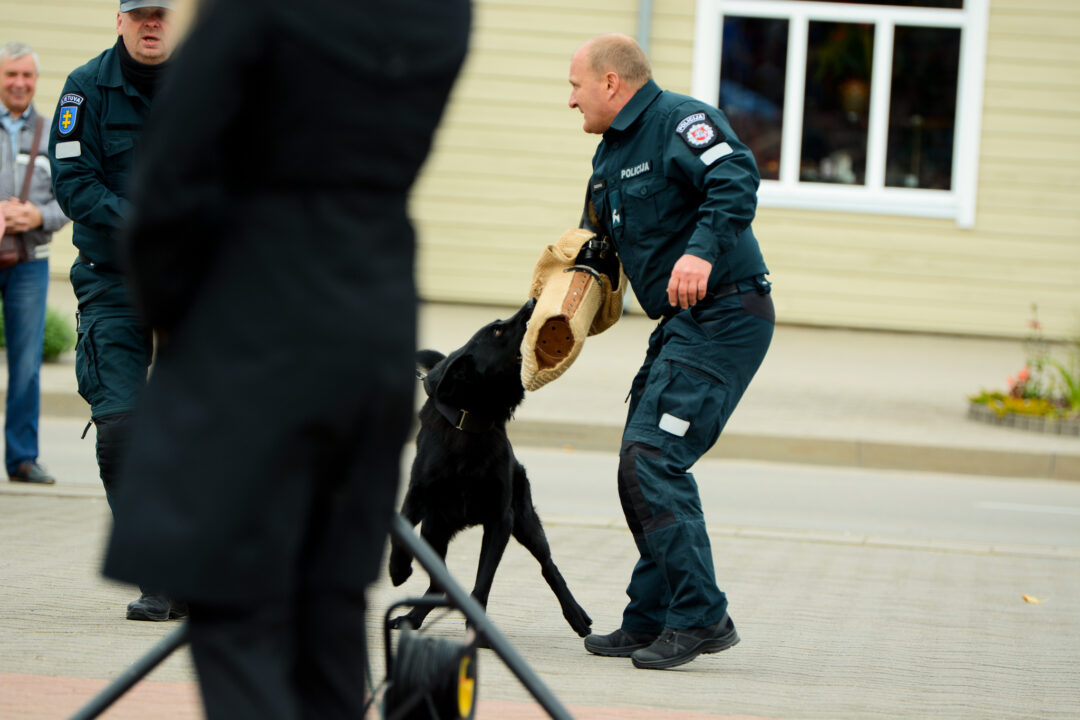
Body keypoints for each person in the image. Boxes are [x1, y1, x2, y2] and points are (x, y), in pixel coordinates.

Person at [99, 0, 470, 717]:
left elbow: (168, 181)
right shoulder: (440, 13)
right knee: (326, 621)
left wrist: (177, 319)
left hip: (251, 333)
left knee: (238, 620)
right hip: (371, 325)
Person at [569, 34, 775, 670]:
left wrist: (700, 252)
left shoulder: (681, 121)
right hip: (684, 324)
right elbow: (593, 251)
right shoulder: (609, 157)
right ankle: (649, 618)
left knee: (654, 457)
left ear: (610, 82)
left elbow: (735, 177)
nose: (570, 100)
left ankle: (701, 616)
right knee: (639, 464)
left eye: (576, 86)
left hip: (728, 312)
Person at [48, 0, 178, 620]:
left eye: (162, 13)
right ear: (119, 20)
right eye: (139, 13)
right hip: (113, 282)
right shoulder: (84, 90)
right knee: (122, 430)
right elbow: (74, 183)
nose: (151, 23)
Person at [1, 42, 70, 485]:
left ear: (36, 80)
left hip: (31, 263)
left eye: (27, 75)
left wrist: (38, 216)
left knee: (26, 367)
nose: (20, 83)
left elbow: (72, 194)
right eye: (11, 74)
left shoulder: (52, 133)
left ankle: (23, 459)